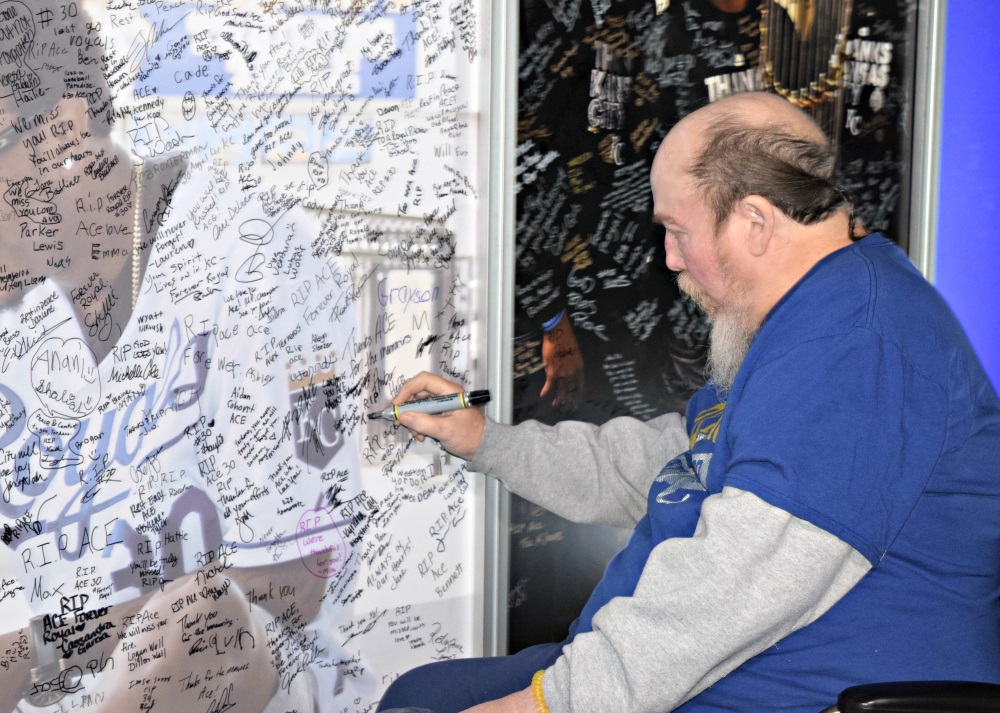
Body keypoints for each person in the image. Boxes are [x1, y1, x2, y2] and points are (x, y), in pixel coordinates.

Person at [377, 92, 1000, 712]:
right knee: (419, 694)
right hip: (716, 675)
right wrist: (488, 441)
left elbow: (738, 586)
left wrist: (548, 706)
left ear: (755, 222)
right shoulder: (813, 318)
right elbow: (676, 468)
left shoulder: (856, 342)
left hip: (779, 693)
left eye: (677, 230)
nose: (669, 258)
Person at [0, 2, 363, 711]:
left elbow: (297, 579)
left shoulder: (249, 251)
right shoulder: (23, 316)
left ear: (64, 131)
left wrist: (34, 649)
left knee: (199, 617)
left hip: (263, 689)